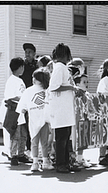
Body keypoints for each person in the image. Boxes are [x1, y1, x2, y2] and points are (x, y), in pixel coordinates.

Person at [47, 43, 81, 173]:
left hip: (65, 108)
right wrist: (71, 87)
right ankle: (60, 163)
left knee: (66, 136)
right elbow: (54, 87)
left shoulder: (63, 68)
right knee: (62, 137)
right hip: (60, 109)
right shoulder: (59, 68)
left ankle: (66, 162)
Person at [16, 68, 54, 172]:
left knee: (39, 142)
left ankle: (40, 162)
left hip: (39, 119)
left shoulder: (45, 91)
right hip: (38, 119)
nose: (33, 79)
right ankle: (40, 162)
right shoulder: (33, 91)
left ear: (40, 79)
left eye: (35, 78)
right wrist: (23, 109)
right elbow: (23, 103)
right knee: (40, 142)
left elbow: (22, 106)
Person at [2, 57, 31, 165]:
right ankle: (13, 154)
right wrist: (22, 99)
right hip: (15, 110)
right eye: (22, 67)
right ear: (19, 67)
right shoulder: (12, 80)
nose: (23, 69)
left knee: (23, 134)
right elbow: (10, 97)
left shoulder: (20, 80)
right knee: (15, 134)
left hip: (22, 111)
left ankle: (21, 154)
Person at [20, 43, 39, 155]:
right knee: (26, 122)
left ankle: (35, 148)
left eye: (30, 52)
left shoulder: (37, 65)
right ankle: (27, 148)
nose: (27, 54)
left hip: (36, 95)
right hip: (26, 96)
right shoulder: (22, 65)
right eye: (26, 52)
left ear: (34, 54)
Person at [73, 74, 92, 168]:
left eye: (87, 82)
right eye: (84, 82)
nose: (86, 84)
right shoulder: (77, 95)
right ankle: (78, 159)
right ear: (77, 84)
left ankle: (80, 157)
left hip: (85, 118)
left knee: (83, 138)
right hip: (78, 119)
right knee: (79, 138)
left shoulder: (87, 94)